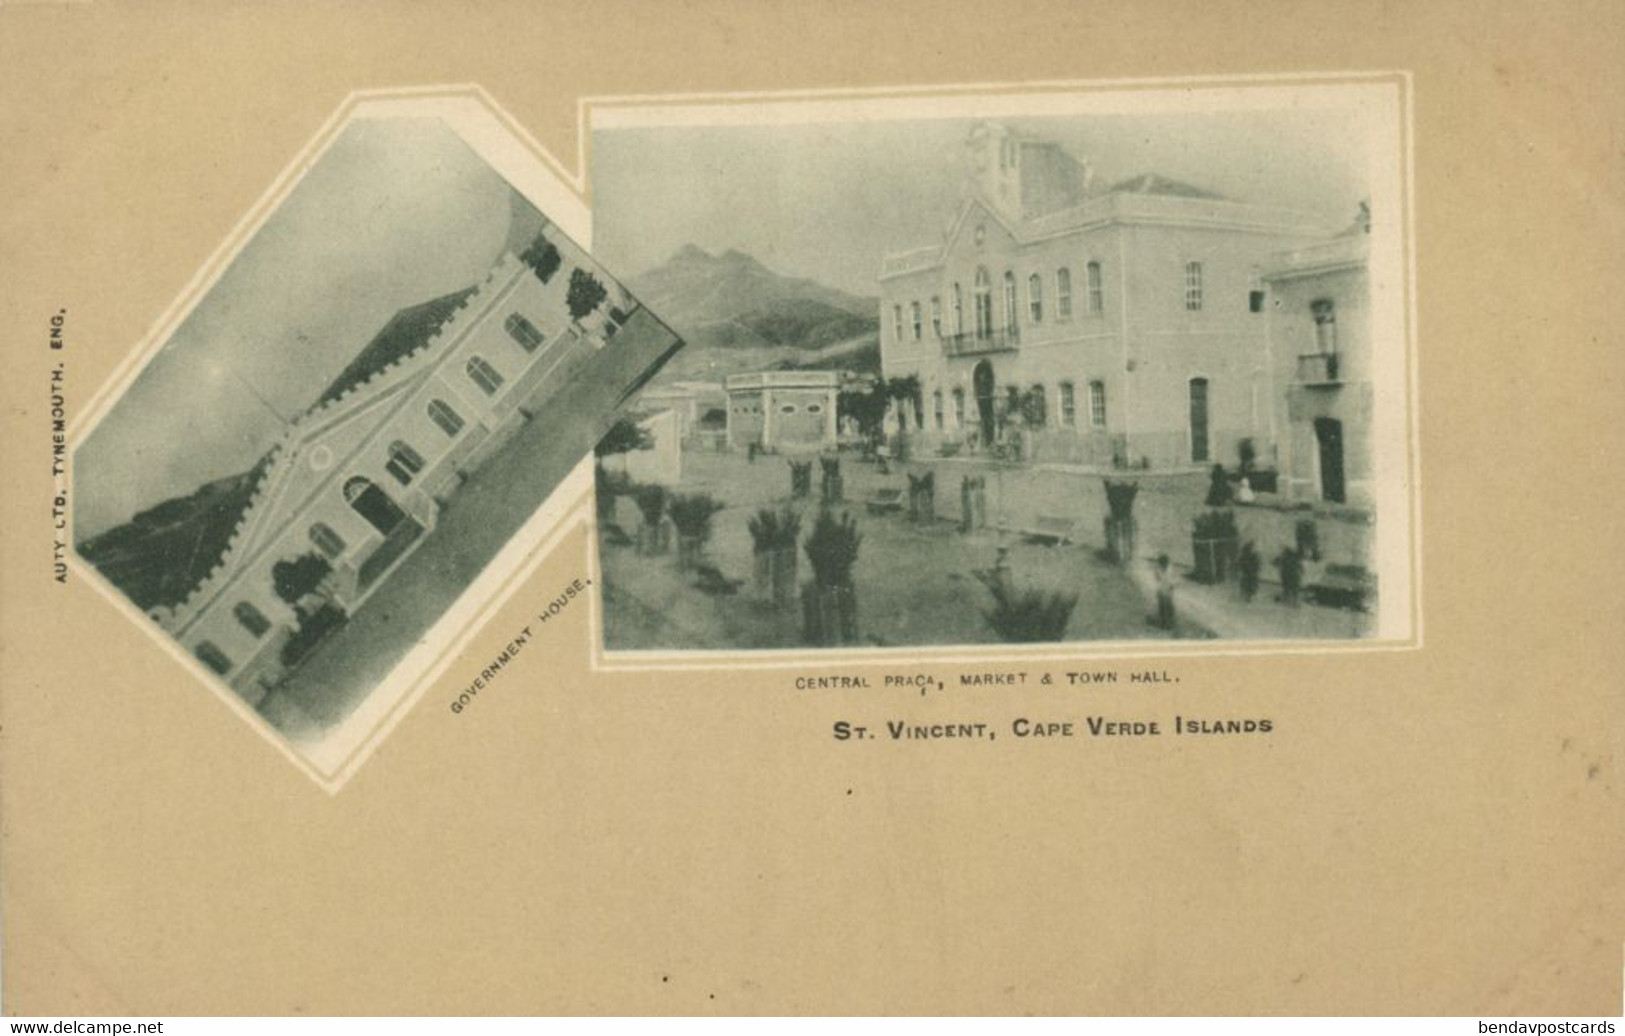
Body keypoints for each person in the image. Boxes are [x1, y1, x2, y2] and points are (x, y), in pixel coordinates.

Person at [1154, 553, 1177, 631]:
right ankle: (1163, 623)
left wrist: (1172, 586)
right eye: (1162, 563)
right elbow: (1157, 579)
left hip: (1169, 589)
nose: (1163, 565)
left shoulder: (1170, 569)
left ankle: (1170, 623)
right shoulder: (1158, 569)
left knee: (1169, 606)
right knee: (1162, 607)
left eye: (1165, 563)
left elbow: (1173, 579)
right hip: (1161, 589)